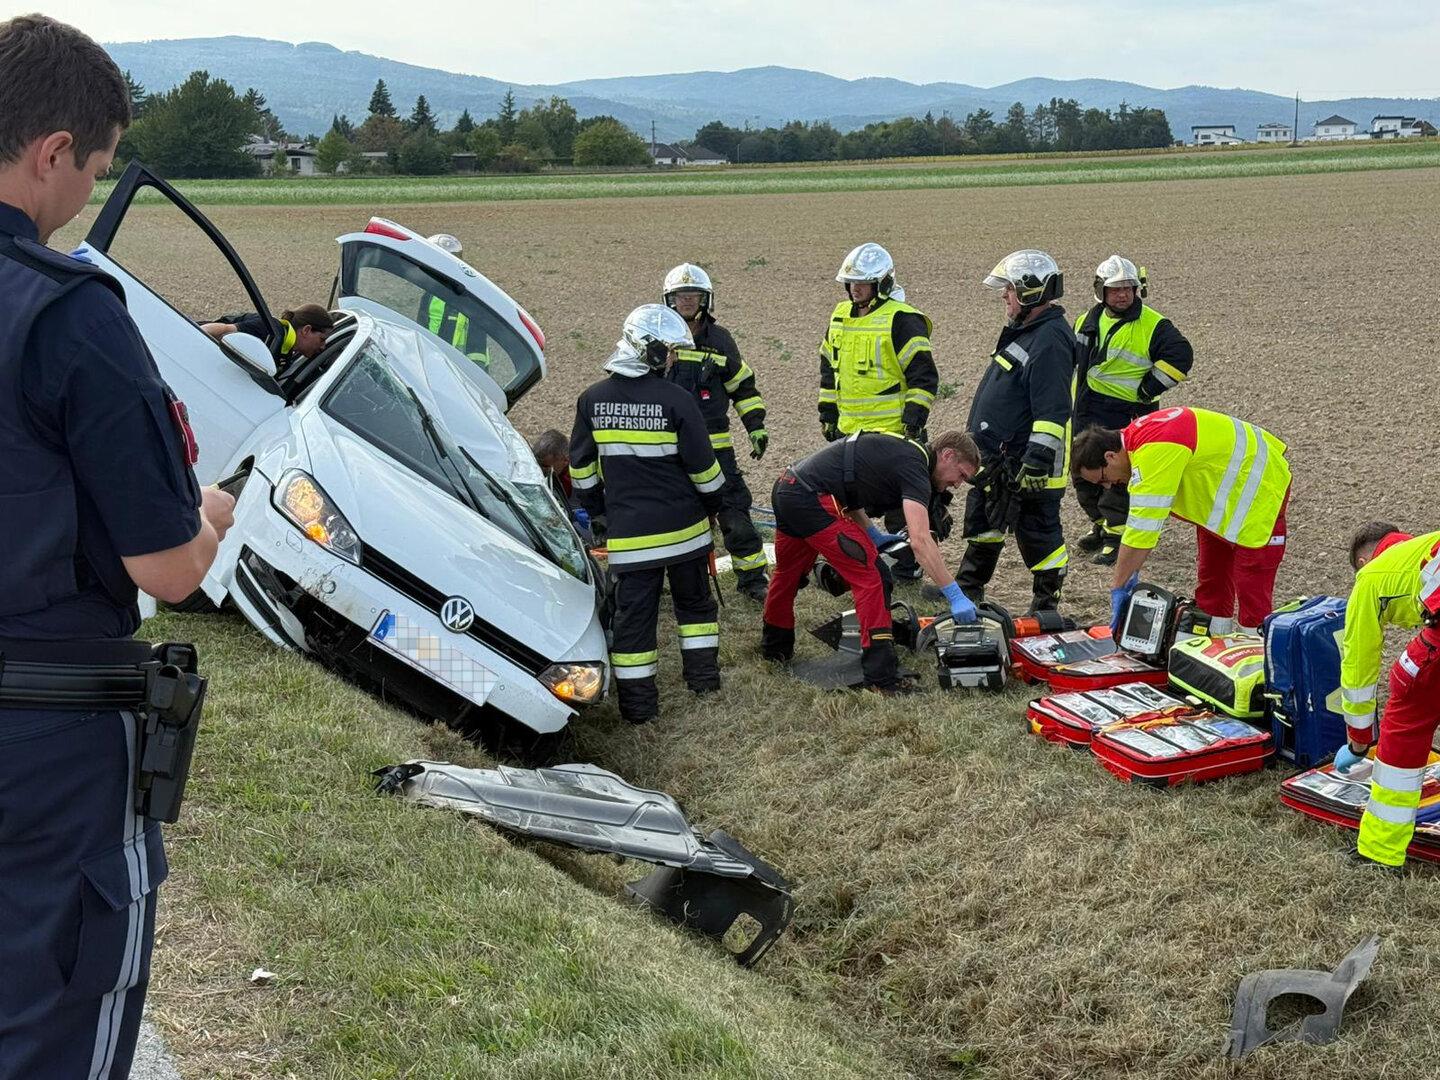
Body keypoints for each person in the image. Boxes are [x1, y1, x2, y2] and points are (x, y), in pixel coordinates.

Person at [0, 15, 235, 1078]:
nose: (84, 199)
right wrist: (211, 513)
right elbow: (170, 570)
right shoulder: (67, 310)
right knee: (56, 1027)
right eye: (91, 174)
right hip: (46, 745)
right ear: (52, 152)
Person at [569, 304, 724, 724]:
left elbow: (580, 470)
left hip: (630, 538)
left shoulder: (591, 400)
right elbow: (705, 469)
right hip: (686, 532)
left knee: (635, 620)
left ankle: (639, 708)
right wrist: (714, 506)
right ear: (650, 351)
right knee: (695, 610)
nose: (673, 359)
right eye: (669, 351)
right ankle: (704, 682)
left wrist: (602, 512)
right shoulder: (677, 400)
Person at [761, 430, 981, 694]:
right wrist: (954, 594)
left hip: (788, 486)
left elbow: (848, 485)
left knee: (788, 574)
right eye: (961, 475)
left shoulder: (903, 451)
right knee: (874, 577)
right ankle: (881, 676)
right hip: (811, 499)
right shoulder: (916, 468)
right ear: (947, 455)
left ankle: (775, 649)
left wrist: (872, 534)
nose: (958, 484)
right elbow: (921, 541)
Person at [1071, 406, 1291, 636]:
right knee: (1212, 578)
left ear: (1110, 456)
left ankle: (1255, 656)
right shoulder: (1139, 437)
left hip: (1262, 488)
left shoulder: (1154, 453)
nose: (1109, 485)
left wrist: (1118, 586)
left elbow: (1141, 532)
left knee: (1252, 585)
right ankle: (1212, 646)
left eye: (1104, 478)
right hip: (1226, 494)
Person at [953, 250, 1076, 613]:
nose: (1004, 296)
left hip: (1027, 463)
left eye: (1009, 289)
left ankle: (1046, 604)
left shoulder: (1050, 339)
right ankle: (969, 587)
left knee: (1039, 534)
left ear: (1030, 292)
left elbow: (1052, 409)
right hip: (1000, 458)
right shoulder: (1028, 332)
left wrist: (1036, 461)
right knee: (984, 520)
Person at [817, 242, 938, 581]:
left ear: (882, 283)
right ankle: (857, 557)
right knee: (846, 500)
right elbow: (829, 366)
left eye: (864, 282)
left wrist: (914, 421)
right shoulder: (840, 315)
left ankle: (907, 565)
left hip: (892, 430)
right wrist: (827, 411)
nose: (856, 288)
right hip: (849, 430)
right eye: (851, 282)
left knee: (902, 504)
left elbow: (924, 376)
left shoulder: (903, 319)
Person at [1071, 256, 1194, 566]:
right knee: (1083, 471)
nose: (1123, 294)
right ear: (1101, 291)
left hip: (1125, 415)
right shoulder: (1086, 319)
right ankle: (1100, 526)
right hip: (1086, 408)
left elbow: (1181, 356)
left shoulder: (1154, 324)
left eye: (1129, 288)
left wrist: (1148, 389)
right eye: (1115, 289)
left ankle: (1118, 535)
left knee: (1117, 477)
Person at [1331, 523, 1440, 868]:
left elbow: (1359, 665)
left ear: (1364, 559)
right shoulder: (1423, 549)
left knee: (1406, 716)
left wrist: (1359, 741)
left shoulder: (1372, 577)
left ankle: (1380, 850)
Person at [662, 262, 771, 601]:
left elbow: (743, 387)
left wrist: (755, 426)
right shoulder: (659, 338)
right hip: (669, 448)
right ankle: (662, 581)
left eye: (692, 294)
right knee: (668, 515)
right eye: (680, 295)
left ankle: (753, 579)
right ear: (669, 299)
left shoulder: (720, 341)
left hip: (715, 449)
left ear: (705, 299)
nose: (686, 300)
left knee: (734, 511)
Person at [201, 302, 333, 370]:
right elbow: (222, 330)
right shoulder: (270, 329)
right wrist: (187, 340)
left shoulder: (285, 349)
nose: (323, 346)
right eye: (322, 339)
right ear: (306, 330)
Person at [531, 427, 591, 543]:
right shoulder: (533, 470)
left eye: (546, 466)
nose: (542, 470)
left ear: (565, 460)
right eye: (539, 464)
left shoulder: (578, 476)